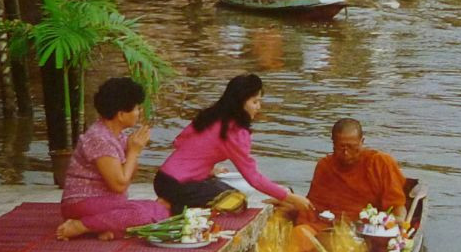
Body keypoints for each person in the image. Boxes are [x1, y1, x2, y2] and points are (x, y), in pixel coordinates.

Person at [154, 73, 313, 215]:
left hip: (162, 179)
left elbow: (179, 142)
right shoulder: (235, 132)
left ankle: (174, 202)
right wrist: (291, 197)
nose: (259, 107)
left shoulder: (211, 116)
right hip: (178, 185)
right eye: (255, 102)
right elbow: (253, 178)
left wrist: (206, 168)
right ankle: (172, 207)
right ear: (241, 102)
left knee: (225, 191)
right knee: (238, 204)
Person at [55, 77, 171, 240]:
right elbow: (119, 185)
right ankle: (81, 225)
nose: (139, 113)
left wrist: (133, 149)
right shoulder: (99, 138)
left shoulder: (118, 136)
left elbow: (129, 176)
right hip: (82, 202)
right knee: (141, 214)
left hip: (106, 202)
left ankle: (101, 228)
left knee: (161, 208)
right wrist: (134, 152)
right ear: (121, 114)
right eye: (137, 108)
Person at [306, 119, 407, 225]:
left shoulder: (380, 163)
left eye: (352, 147)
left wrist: (396, 221)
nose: (346, 153)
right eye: (341, 147)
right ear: (333, 143)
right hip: (332, 224)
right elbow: (315, 205)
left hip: (368, 227)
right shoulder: (325, 165)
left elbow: (396, 205)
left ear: (362, 142)